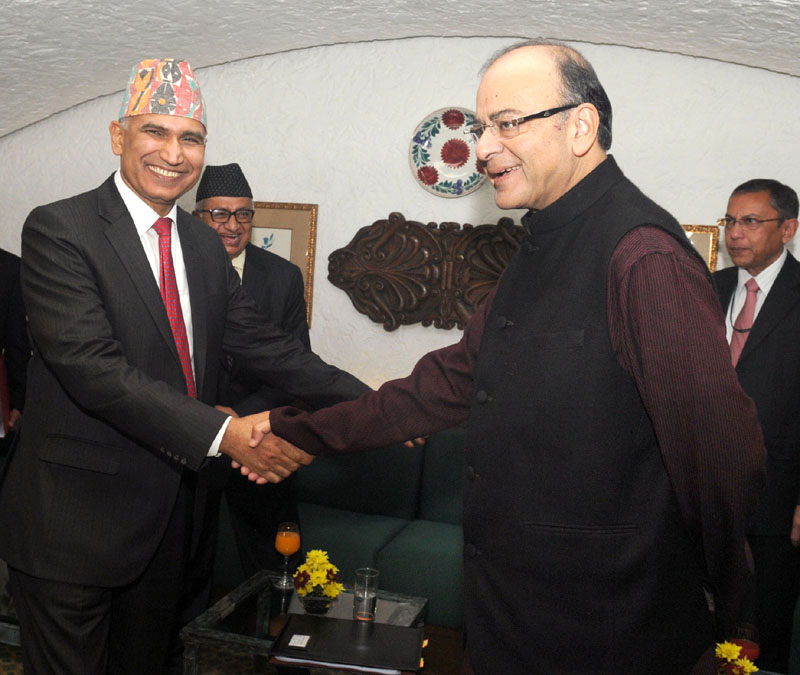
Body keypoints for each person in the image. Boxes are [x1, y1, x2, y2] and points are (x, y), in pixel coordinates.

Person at [258, 40, 766, 673]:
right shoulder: (540, 245)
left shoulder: (644, 256)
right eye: (480, 128)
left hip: (604, 629)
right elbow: (443, 384)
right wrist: (295, 430)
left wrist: (734, 599)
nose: (482, 148)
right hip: (511, 621)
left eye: (505, 124)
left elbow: (719, 451)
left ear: (579, 126)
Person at [0, 58, 368, 674]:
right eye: (156, 132)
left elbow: (266, 347)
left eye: (190, 137)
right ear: (120, 137)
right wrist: (229, 435)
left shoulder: (200, 243)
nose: (174, 152)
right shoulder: (60, 230)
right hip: (72, 524)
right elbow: (93, 369)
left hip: (170, 519)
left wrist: (374, 404)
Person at [170, 163, 310, 647]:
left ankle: (274, 647)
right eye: (219, 215)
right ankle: (184, 645)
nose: (233, 225)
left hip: (260, 437)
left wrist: (244, 419)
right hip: (192, 435)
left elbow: (294, 360)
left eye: (243, 215)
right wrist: (210, 417)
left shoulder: (283, 276)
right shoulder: (173, 269)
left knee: (273, 559)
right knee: (187, 554)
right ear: (197, 216)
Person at [713, 179, 800, 672]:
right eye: (730, 221)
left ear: (787, 229)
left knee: (760, 634)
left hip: (776, 505)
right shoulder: (712, 288)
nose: (735, 234)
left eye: (750, 221)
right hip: (703, 497)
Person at [0, 248, 28, 457]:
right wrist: (18, 402)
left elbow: (16, 342)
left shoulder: (10, 267)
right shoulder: (10, 266)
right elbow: (16, 342)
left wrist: (17, 400)